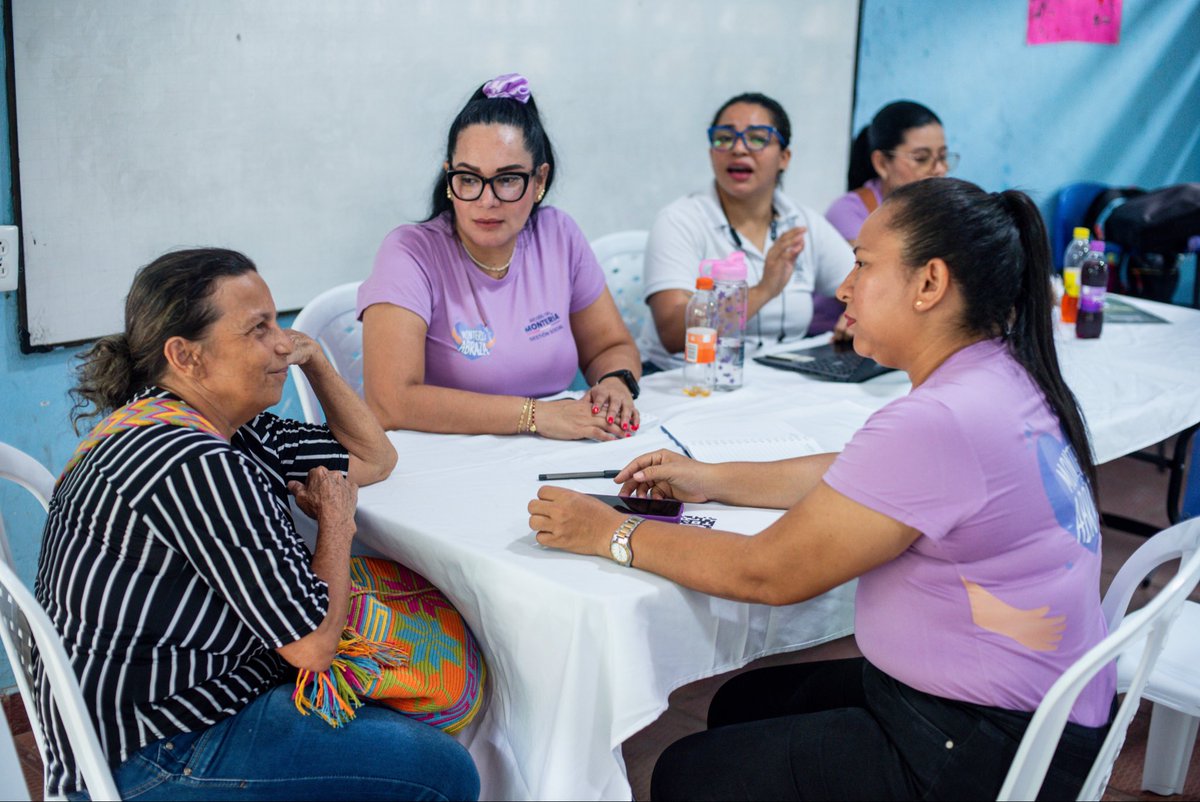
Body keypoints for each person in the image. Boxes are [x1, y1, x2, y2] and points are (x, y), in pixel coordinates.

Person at [530, 178, 1115, 800]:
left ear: (930, 284)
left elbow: (769, 573)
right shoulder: (999, 371)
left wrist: (610, 532)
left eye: (862, 265)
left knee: (686, 774)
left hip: (991, 741)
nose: (843, 288)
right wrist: (710, 479)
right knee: (745, 702)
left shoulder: (942, 419)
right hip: (1035, 700)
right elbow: (862, 473)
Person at [36, 249, 479, 801]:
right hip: (153, 748)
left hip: (151, 703)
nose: (282, 343)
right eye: (258, 329)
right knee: (445, 771)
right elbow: (316, 646)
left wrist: (316, 362)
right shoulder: (193, 462)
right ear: (187, 356)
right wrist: (337, 527)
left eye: (279, 323)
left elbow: (373, 457)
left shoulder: (211, 424)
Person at [359, 73, 641, 441]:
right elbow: (390, 402)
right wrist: (536, 415)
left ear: (539, 180)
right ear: (449, 178)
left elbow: (611, 346)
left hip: (552, 453)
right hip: (444, 464)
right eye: (469, 179)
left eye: (507, 179)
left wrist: (616, 384)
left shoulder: (558, 234)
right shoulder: (410, 252)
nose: (486, 200)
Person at [637, 92, 855, 371]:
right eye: (724, 138)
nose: (738, 149)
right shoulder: (680, 221)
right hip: (686, 379)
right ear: (711, 153)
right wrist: (763, 290)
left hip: (782, 377)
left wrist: (858, 318)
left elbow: (865, 284)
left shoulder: (802, 223)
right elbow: (672, 332)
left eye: (757, 137)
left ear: (784, 157)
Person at [825, 100, 957, 244]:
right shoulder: (848, 213)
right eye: (921, 158)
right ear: (881, 163)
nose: (940, 169)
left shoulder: (948, 212)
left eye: (943, 157)